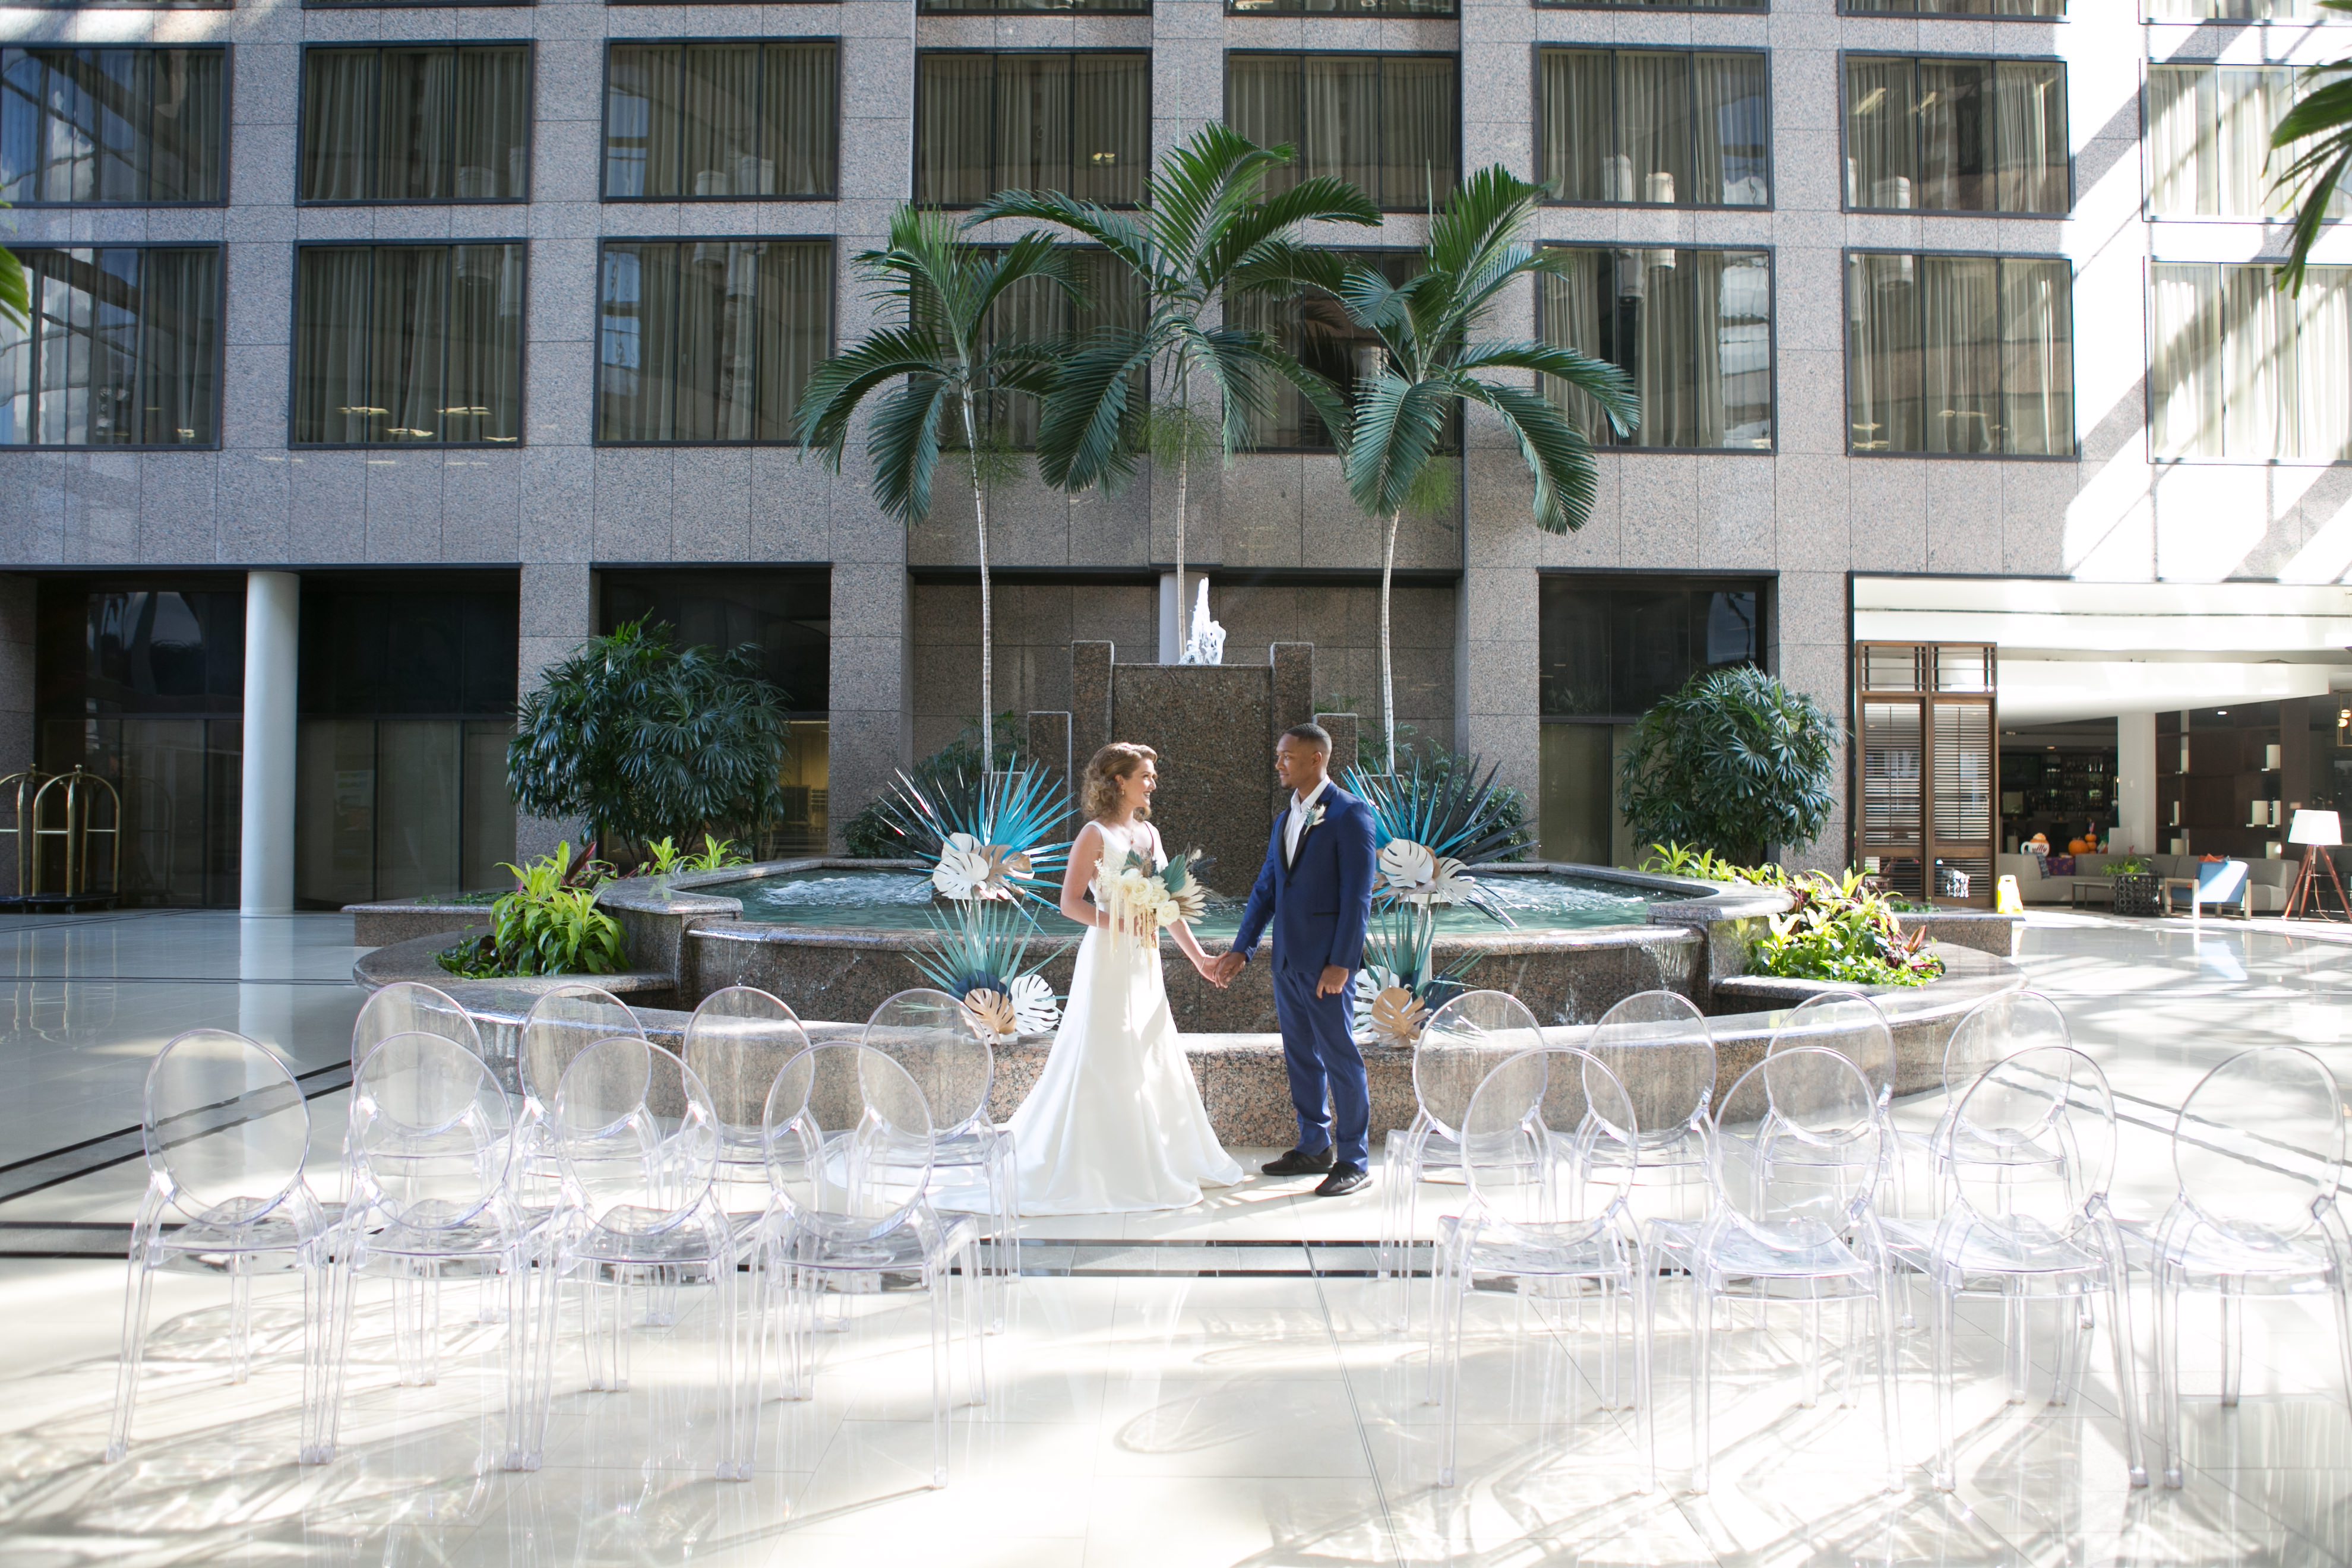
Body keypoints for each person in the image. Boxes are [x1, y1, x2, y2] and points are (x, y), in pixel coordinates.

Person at [1008, 742, 1244, 1215]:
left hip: (1145, 961)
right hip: (1108, 959)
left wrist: (1199, 959)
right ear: (1119, 780)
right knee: (1105, 1051)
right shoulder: (1094, 835)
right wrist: (1121, 922)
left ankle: (1154, 1153)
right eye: (1146, 775)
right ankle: (1097, 1166)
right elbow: (1069, 904)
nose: (1153, 782)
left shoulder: (1150, 834)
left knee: (1148, 1050)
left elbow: (1166, 904)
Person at [1210, 724, 1377, 1197]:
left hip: (1327, 964)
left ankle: (1353, 1159)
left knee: (1340, 1055)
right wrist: (1243, 948)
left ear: (1316, 759)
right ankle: (1313, 1145)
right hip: (1286, 961)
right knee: (1300, 1055)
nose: (1279, 763)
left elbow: (1358, 898)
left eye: (1287, 756)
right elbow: (1266, 888)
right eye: (1280, 755)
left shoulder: (1350, 815)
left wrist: (1342, 963)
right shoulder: (1286, 819)